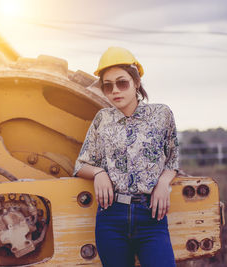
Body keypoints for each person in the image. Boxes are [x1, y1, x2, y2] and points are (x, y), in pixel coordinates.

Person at [73, 47, 179, 267]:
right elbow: (80, 164)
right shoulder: (102, 119)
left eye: (122, 83)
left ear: (136, 82)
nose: (115, 91)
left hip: (152, 216)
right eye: (107, 86)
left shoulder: (162, 115)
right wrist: (99, 172)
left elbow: (172, 160)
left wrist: (163, 182)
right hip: (111, 217)